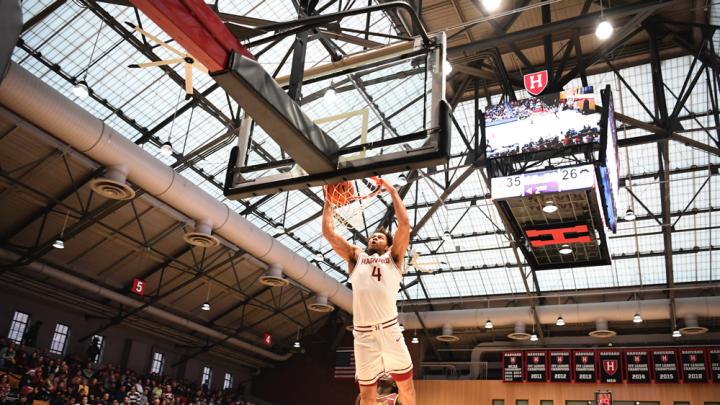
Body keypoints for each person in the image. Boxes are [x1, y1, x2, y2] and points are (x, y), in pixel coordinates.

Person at [322, 177, 415, 405]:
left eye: (380, 237)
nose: (374, 237)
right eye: (372, 236)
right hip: (363, 335)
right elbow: (329, 234)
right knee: (365, 397)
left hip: (389, 329)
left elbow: (405, 225)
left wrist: (392, 190)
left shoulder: (393, 257)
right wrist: (329, 201)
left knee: (407, 387)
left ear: (387, 244)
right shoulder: (356, 256)